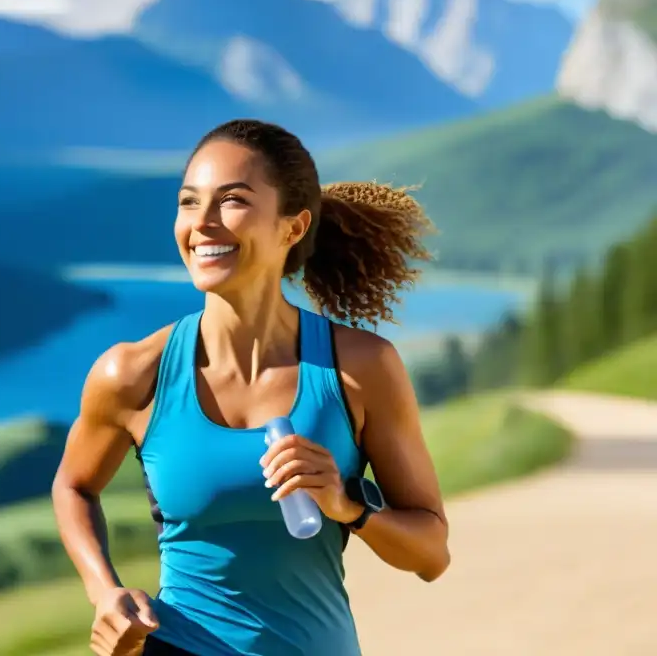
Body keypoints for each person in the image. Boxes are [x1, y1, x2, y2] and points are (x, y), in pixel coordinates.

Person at [52, 119, 450, 656]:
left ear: (292, 227)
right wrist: (104, 592)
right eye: (189, 203)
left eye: (232, 201)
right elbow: (74, 486)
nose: (203, 225)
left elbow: (431, 554)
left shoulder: (359, 368)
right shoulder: (131, 373)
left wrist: (348, 506)